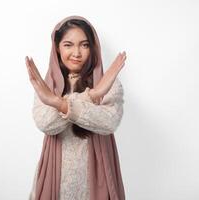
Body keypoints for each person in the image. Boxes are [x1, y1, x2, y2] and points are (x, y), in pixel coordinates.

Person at [25, 15, 127, 200]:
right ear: (57, 47)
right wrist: (92, 96)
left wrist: (57, 103)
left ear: (93, 48)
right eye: (68, 45)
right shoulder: (47, 85)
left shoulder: (109, 82)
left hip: (97, 179)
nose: (77, 52)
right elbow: (46, 124)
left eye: (84, 45)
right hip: (56, 179)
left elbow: (109, 122)